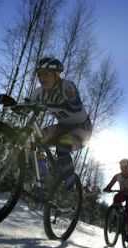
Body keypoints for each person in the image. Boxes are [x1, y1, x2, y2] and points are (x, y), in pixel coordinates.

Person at [30, 57, 92, 190]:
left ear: (57, 75)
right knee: (37, 138)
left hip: (81, 128)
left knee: (62, 146)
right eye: (39, 73)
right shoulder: (38, 92)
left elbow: (75, 106)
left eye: (47, 73)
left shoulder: (66, 86)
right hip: (62, 126)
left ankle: (70, 189)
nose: (42, 77)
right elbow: (27, 108)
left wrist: (62, 101)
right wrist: (12, 104)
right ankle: (43, 174)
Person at [103, 158, 128, 242]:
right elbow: (111, 184)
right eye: (122, 167)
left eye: (126, 167)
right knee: (116, 197)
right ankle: (116, 217)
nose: (124, 168)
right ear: (120, 167)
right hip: (123, 194)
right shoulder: (117, 176)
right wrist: (107, 188)